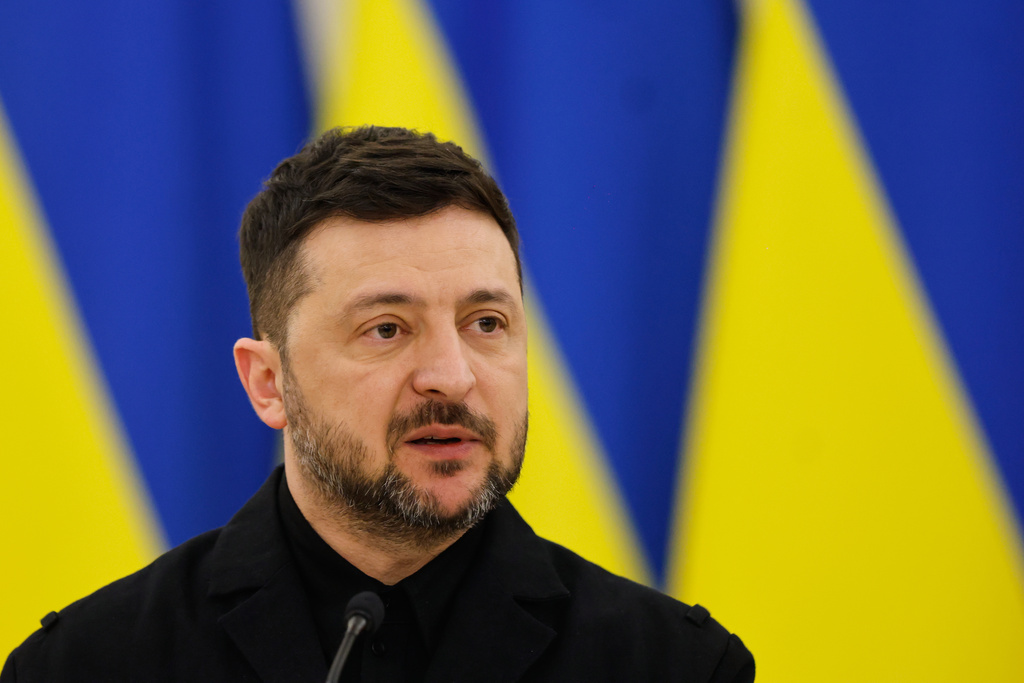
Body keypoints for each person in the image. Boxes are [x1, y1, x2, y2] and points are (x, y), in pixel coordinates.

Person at [2, 126, 754, 682]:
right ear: (269, 382)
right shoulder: (87, 666)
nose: (451, 377)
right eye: (387, 329)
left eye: (485, 323)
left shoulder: (674, 666)